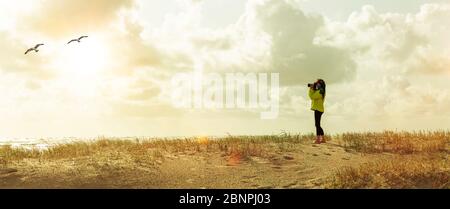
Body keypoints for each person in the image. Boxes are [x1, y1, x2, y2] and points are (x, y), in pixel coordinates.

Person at [308, 79, 326, 144]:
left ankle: (318, 139)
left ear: (320, 84)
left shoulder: (320, 91)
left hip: (318, 109)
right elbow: (313, 96)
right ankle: (323, 139)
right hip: (319, 109)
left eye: (317, 83)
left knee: (317, 125)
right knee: (318, 125)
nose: (316, 85)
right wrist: (313, 89)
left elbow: (312, 97)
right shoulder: (320, 90)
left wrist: (311, 89)